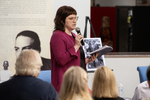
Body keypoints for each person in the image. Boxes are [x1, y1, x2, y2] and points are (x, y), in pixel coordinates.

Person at [50, 5, 99, 92]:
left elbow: (74, 58)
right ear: (62, 21)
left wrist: (87, 60)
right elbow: (61, 60)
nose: (74, 21)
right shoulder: (57, 36)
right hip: (66, 84)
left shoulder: (73, 35)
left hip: (78, 81)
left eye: (75, 18)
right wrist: (76, 46)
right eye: (71, 18)